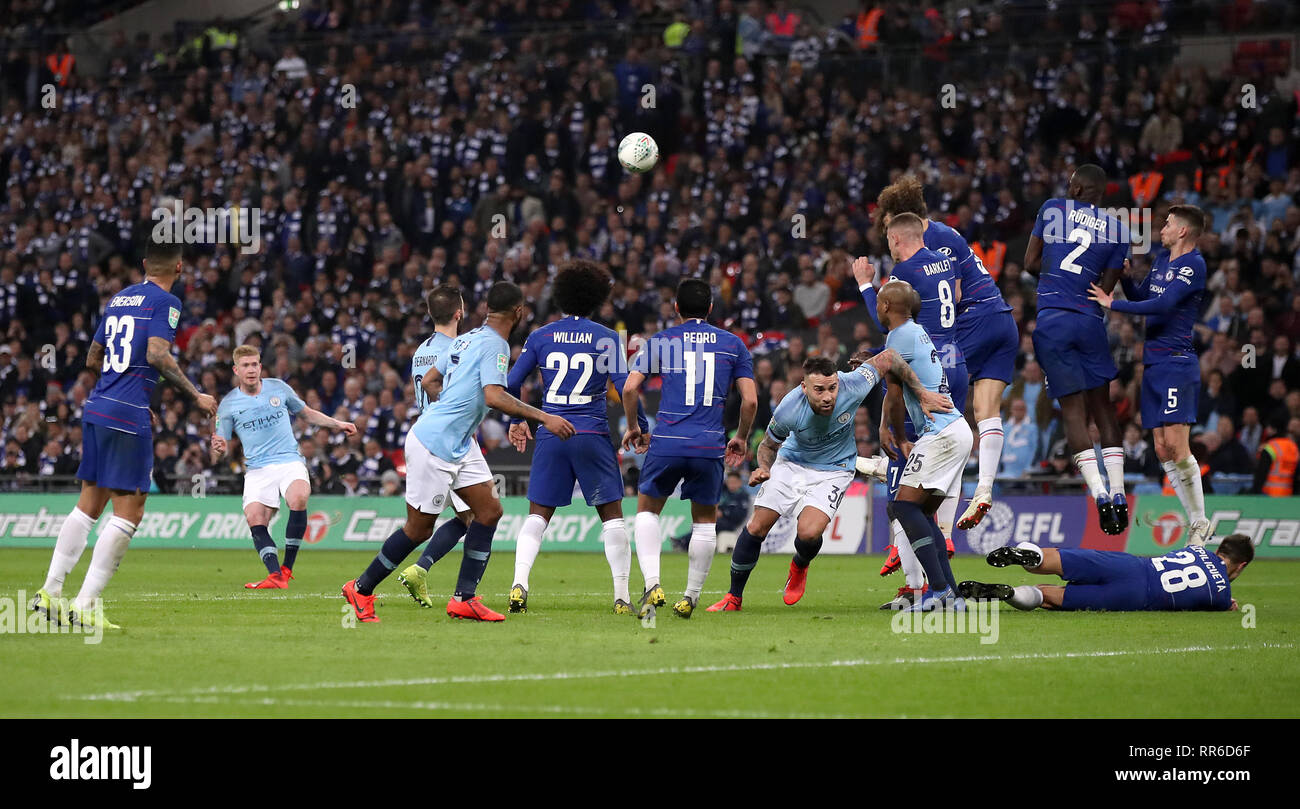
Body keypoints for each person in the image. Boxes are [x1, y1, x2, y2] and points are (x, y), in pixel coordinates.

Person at [341, 282, 576, 623]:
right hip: (434, 443)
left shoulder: (466, 339)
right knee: (419, 529)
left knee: (489, 511)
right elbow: (494, 396)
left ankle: (464, 598)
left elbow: (430, 381)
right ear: (519, 312)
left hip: (457, 442)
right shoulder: (496, 345)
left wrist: (452, 410)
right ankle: (360, 589)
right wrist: (543, 417)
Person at [709, 287, 953, 613]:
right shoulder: (788, 408)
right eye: (819, 390)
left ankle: (799, 564)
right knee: (756, 526)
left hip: (835, 470)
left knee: (808, 533)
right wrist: (765, 467)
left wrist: (921, 392)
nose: (827, 396)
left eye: (832, 388)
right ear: (804, 387)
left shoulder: (853, 383)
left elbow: (891, 358)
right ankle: (733, 597)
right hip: (792, 464)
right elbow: (768, 446)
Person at [31, 238, 217, 629]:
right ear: (179, 269)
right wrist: (195, 394)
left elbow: (93, 357)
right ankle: (83, 606)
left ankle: (49, 592)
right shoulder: (167, 302)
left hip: (98, 407)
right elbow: (155, 354)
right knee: (129, 512)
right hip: (127, 414)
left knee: (89, 505)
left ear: (146, 263)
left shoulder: (119, 298)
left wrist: (117, 392)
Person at [872, 176, 1019, 529]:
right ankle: (983, 489)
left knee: (920, 390)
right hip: (1002, 318)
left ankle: (901, 469)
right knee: (984, 411)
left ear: (900, 219)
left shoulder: (929, 242)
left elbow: (945, 301)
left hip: (974, 319)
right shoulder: (948, 235)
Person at [502, 260, 648, 614]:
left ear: (561, 295)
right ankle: (621, 597)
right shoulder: (608, 338)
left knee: (537, 516)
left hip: (551, 432)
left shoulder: (540, 336)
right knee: (612, 516)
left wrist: (518, 418)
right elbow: (625, 386)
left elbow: (510, 383)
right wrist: (637, 425)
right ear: (596, 297)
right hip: (592, 433)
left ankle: (519, 584)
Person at [621, 278, 757, 618]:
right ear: (711, 308)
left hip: (666, 442)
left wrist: (636, 427)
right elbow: (751, 400)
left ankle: (653, 584)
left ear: (676, 309)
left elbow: (628, 389)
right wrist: (739, 436)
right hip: (709, 445)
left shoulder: (662, 341)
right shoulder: (733, 344)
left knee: (647, 511)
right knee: (704, 522)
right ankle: (691, 597)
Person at [1089, 205, 1210, 542]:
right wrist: (1127, 279)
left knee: (1176, 444)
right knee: (1160, 448)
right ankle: (1194, 521)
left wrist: (1114, 304)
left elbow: (1164, 305)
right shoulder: (1161, 261)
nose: (1163, 229)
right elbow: (1146, 297)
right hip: (1154, 365)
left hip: (1176, 363)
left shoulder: (1193, 265)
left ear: (1183, 231)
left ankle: (1200, 522)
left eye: (1168, 224)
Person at [1024, 163, 1130, 534]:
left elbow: (1030, 262)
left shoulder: (1053, 209)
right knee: (1103, 408)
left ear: (1078, 188)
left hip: (1053, 319)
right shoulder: (1120, 229)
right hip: (1089, 322)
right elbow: (1106, 288)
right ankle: (1119, 493)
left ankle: (1099, 493)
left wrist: (1058, 278)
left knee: (1073, 411)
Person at [212, 345, 356, 588]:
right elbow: (221, 446)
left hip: (289, 460)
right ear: (236, 370)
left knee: (298, 498)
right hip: (257, 469)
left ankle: (287, 568)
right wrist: (218, 449)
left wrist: (337, 424)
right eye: (245, 365)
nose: (251, 369)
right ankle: (275, 575)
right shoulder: (228, 405)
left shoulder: (278, 387)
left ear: (260, 366)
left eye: (255, 364)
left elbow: (307, 413)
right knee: (255, 518)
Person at [396, 285, 479, 608]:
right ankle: (457, 591)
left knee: (464, 516)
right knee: (478, 515)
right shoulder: (460, 347)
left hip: (424, 435)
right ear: (459, 312)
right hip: (450, 440)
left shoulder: (421, 350)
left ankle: (421, 571)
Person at [959, 533, 1252, 612]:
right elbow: (1217, 601)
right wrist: (1227, 606)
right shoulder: (1221, 595)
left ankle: (1028, 554)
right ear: (1240, 566)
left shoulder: (1196, 550)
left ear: (1218, 550)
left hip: (1131, 564)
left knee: (1054, 559)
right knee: (1050, 597)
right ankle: (1010, 594)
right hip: (1137, 595)